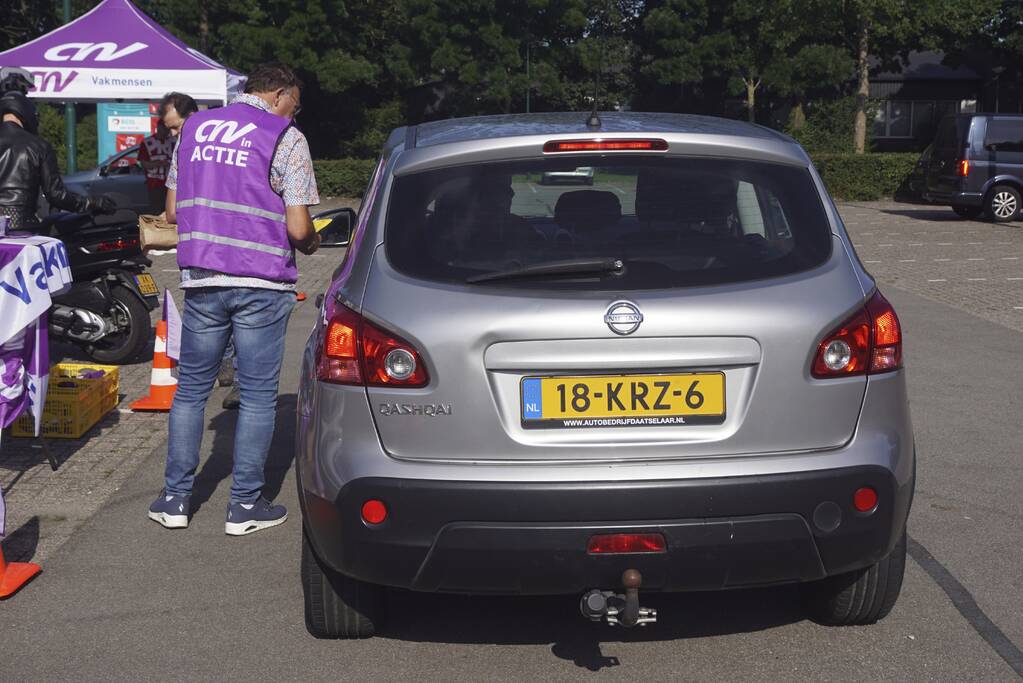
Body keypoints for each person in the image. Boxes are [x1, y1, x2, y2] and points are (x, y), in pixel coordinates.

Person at [148, 63, 320, 535]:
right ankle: (244, 506)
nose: (295, 112)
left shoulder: (196, 127)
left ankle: (174, 499)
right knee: (260, 398)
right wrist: (310, 246)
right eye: (295, 103)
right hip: (262, 282)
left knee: (190, 393)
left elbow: (170, 210)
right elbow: (300, 227)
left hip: (202, 277)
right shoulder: (285, 136)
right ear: (280, 93)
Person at [157, 91, 239, 397]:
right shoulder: (220, 142)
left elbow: (173, 210)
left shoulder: (190, 144)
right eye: (170, 129)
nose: (174, 135)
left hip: (204, 248)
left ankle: (210, 372)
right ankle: (229, 371)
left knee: (214, 313)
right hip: (225, 245)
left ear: (192, 115)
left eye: (176, 127)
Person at [0, 91, 115, 232]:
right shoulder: (39, 146)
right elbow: (56, 195)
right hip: (21, 226)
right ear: (26, 112)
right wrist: (93, 203)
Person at [138, 120, 174, 213]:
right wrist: (159, 163)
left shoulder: (172, 142)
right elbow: (144, 164)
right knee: (156, 211)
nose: (165, 131)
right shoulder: (147, 142)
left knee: (170, 210)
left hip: (171, 184)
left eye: (167, 128)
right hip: (155, 184)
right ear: (158, 127)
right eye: (163, 128)